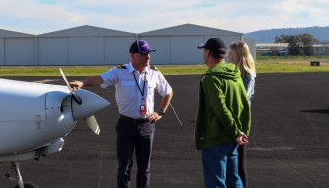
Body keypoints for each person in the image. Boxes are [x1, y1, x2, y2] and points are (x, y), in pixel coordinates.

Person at [70, 40, 173, 188]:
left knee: (144, 168)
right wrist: (82, 83)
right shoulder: (120, 71)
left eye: (149, 53)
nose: (147, 57)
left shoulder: (154, 73)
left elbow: (168, 92)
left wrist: (160, 112)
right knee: (124, 168)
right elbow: (100, 79)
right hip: (126, 126)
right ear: (133, 56)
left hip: (146, 126)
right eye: (143, 54)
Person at [195, 37, 251, 188]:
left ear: (208, 53)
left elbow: (221, 109)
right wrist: (241, 131)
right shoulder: (235, 72)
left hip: (215, 139)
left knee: (216, 183)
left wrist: (235, 131)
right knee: (234, 180)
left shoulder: (210, 77)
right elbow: (244, 104)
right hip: (232, 138)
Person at [228, 41, 256, 188]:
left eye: (231, 54)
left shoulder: (248, 77)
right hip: (230, 122)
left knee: (239, 164)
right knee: (231, 164)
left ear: (239, 56)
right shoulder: (233, 73)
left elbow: (241, 100)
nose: (228, 57)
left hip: (239, 124)